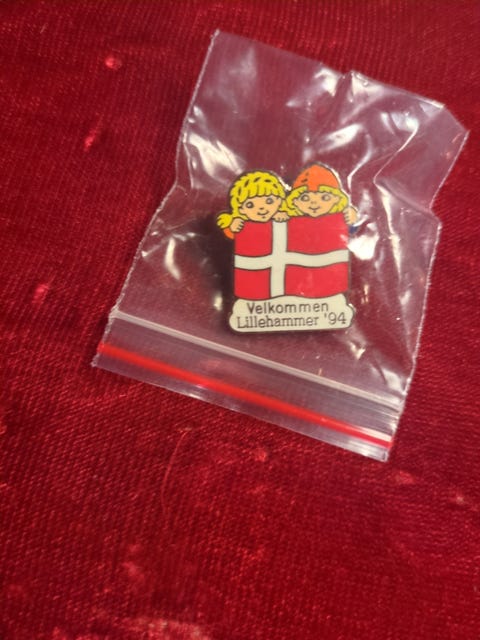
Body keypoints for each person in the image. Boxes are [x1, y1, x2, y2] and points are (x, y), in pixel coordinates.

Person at [217, 170, 289, 239]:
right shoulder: (239, 223)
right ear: (241, 209)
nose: (261, 207)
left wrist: (284, 217)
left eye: (269, 201)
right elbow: (233, 236)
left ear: (280, 201)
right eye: (250, 205)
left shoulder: (284, 213)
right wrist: (232, 228)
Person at [286, 164, 357, 224]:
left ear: (337, 199)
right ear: (295, 201)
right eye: (305, 198)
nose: (314, 203)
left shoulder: (338, 217)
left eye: (325, 197)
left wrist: (351, 218)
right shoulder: (293, 219)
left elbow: (351, 232)